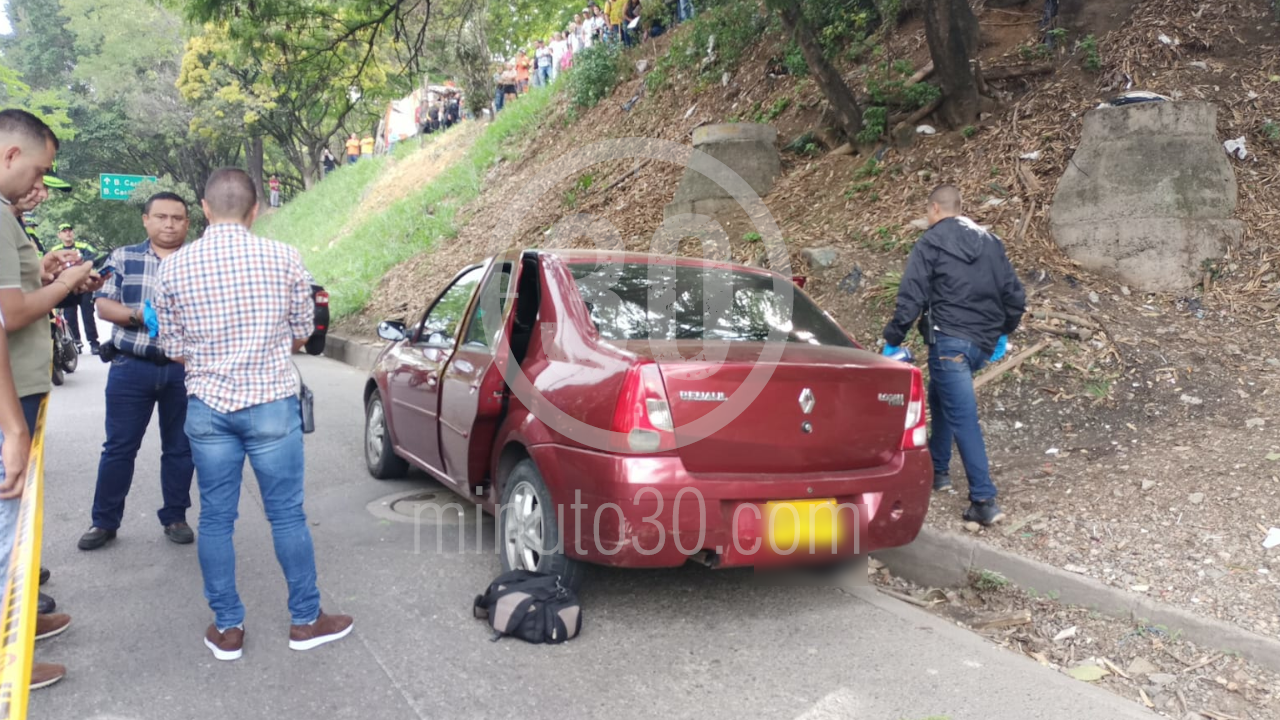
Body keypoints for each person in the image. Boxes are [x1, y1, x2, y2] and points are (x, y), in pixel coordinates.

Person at [153, 168, 353, 662]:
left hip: (208, 407)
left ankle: (227, 629)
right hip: (270, 404)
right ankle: (306, 621)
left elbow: (172, 347)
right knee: (286, 514)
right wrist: (261, 349)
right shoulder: (284, 258)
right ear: (255, 209)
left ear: (203, 208)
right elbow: (305, 331)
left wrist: (214, 357)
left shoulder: (174, 268)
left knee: (217, 518)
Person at [0, 107, 100, 692]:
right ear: (11, 154)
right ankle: (10, 663)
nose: (39, 184)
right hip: (9, 403)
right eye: (38, 169)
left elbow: (14, 290)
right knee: (6, 528)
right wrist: (12, 427)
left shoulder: (8, 216)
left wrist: (42, 271)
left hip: (24, 391)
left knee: (17, 526)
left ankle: (22, 628)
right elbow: (6, 315)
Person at [882, 185, 1026, 527]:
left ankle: (984, 500)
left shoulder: (930, 242)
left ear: (935, 208)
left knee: (963, 418)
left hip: (949, 344)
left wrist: (893, 339)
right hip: (980, 345)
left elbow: (911, 295)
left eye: (927, 212)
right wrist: (1003, 331)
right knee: (942, 398)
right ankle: (939, 471)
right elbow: (1015, 296)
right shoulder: (991, 242)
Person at [77, 192, 195, 553]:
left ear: (187, 223)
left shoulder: (199, 259)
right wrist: (139, 314)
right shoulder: (124, 256)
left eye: (177, 218)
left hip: (183, 369)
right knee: (118, 448)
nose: (169, 224)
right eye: (161, 217)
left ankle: (175, 516)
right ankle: (104, 521)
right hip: (131, 368)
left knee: (181, 448)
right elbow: (102, 305)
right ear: (146, 219)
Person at [53, 223, 102, 354]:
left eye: (70, 230)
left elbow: (96, 257)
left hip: (84, 286)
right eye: (64, 231)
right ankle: (76, 343)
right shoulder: (56, 250)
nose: (68, 233)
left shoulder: (83, 246)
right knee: (70, 316)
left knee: (88, 315)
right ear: (59, 235)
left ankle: (94, 343)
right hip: (68, 287)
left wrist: (81, 261)